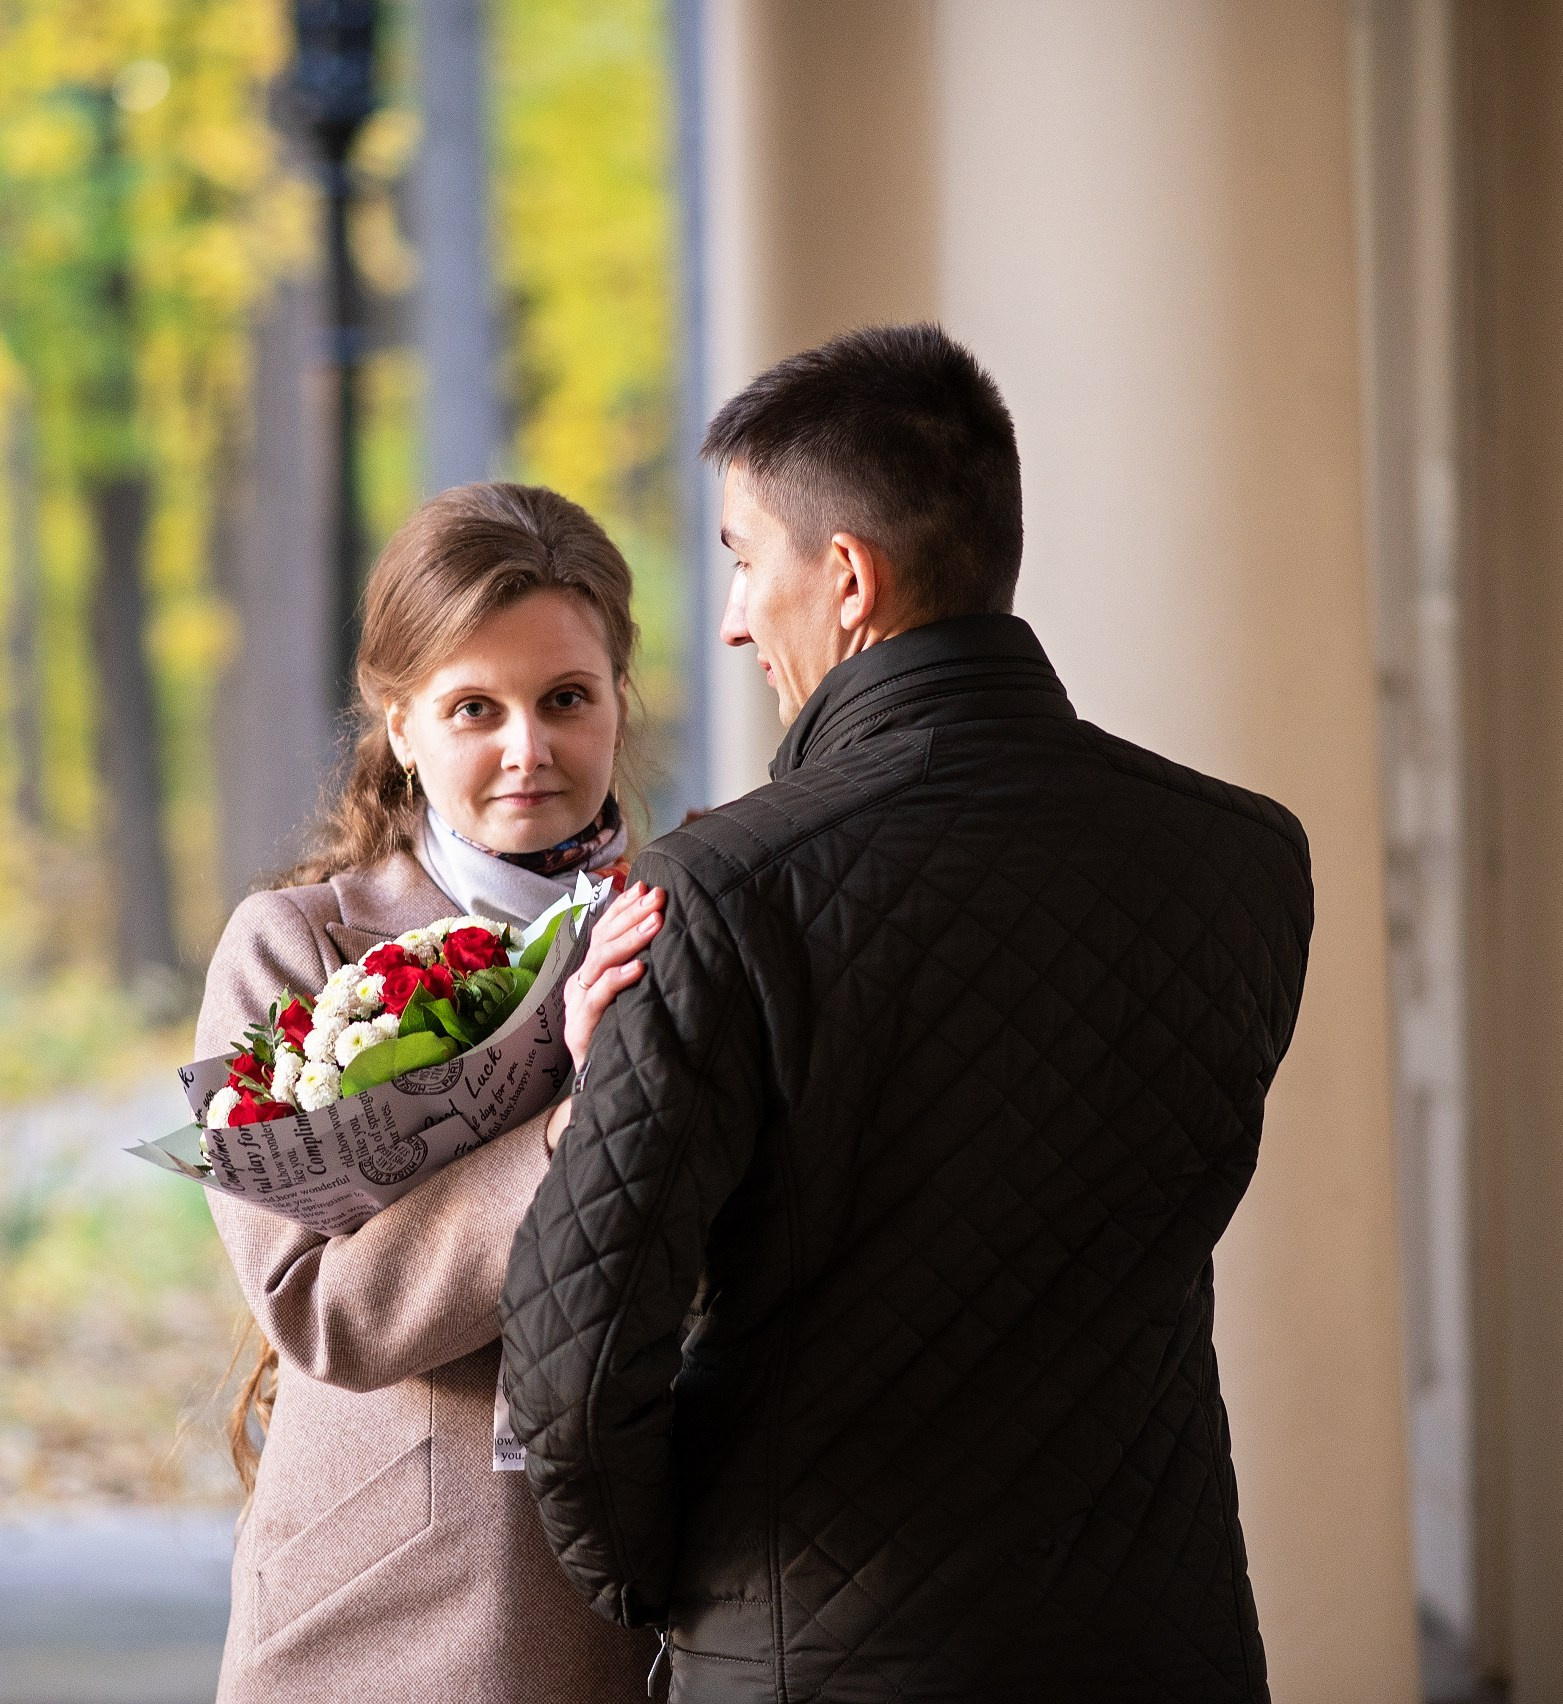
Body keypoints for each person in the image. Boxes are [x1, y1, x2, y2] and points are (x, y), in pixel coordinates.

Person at [499, 324, 1312, 1702]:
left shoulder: (721, 891)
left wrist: (674, 1582)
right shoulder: (1245, 856)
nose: (738, 617)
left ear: (851, 578)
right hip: (1164, 1640)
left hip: (816, 1649)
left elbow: (574, 1373)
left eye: (746, 562)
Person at [199, 482, 667, 1703]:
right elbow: (323, 1313)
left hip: (652, 1594)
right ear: (400, 724)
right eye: (475, 709)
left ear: (619, 697)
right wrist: (571, 1130)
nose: (530, 749)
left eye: (566, 698)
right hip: (391, 1610)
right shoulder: (295, 950)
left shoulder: (697, 919)